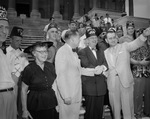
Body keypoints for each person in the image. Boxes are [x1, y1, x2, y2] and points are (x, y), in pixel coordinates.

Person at [104, 27, 150, 119]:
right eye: (110, 38)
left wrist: (144, 35)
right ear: (106, 40)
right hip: (113, 84)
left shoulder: (124, 46)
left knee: (128, 109)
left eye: (114, 37)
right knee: (115, 110)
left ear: (117, 38)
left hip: (126, 83)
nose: (113, 40)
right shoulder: (105, 52)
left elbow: (136, 43)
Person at [55, 30, 100, 119]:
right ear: (72, 39)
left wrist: (94, 71)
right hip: (68, 95)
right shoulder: (62, 52)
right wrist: (65, 95)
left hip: (75, 93)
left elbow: (79, 70)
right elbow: (60, 75)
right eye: (78, 39)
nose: (80, 41)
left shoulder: (73, 52)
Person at [21, 41, 58, 119]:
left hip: (51, 103)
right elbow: (23, 90)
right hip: (35, 105)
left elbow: (54, 85)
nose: (44, 54)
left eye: (45, 51)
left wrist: (57, 104)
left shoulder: (51, 66)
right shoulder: (29, 69)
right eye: (41, 52)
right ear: (34, 53)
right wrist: (24, 110)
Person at [78, 28, 108, 119]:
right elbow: (86, 64)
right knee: (90, 113)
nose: (94, 40)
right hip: (89, 86)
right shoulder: (82, 51)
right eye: (91, 38)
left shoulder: (101, 51)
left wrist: (102, 67)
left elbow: (106, 63)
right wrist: (98, 69)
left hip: (101, 86)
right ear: (87, 41)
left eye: (95, 37)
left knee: (99, 112)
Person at [6, 26, 29, 118]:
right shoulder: (5, 52)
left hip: (21, 84)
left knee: (19, 107)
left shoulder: (23, 52)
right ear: (11, 40)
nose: (19, 43)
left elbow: (27, 68)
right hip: (9, 83)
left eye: (20, 41)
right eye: (17, 40)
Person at [0, 6, 17, 119]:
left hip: (10, 95)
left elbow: (12, 77)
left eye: (6, 28)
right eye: (0, 27)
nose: (4, 31)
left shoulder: (4, 53)